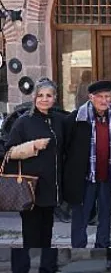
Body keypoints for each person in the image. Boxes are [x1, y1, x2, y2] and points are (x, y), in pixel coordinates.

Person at [63, 80, 111, 268]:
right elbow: (66, 150)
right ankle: (79, 253)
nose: (105, 100)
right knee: (81, 216)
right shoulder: (76, 119)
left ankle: (102, 248)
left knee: (105, 216)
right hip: (85, 178)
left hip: (107, 176)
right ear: (91, 97)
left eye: (108, 96)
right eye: (100, 97)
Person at [4, 79, 65, 273]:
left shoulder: (58, 120)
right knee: (29, 236)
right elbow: (8, 151)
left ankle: (48, 268)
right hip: (29, 187)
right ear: (34, 97)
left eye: (49, 95)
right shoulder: (23, 122)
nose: (44, 99)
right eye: (40, 95)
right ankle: (21, 269)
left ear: (54, 98)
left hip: (50, 185)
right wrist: (33, 146)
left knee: (47, 234)